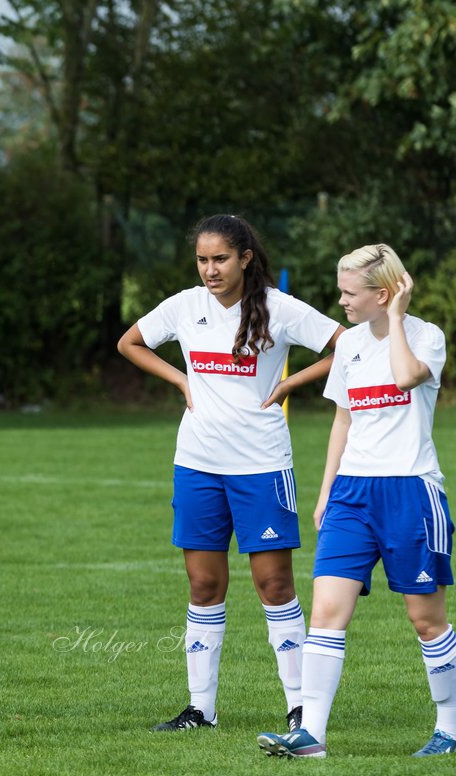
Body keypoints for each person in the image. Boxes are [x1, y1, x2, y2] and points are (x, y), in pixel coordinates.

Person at [117, 214, 343, 733]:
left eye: (220, 259)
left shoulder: (278, 309)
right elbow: (130, 342)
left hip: (262, 466)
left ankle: (300, 705)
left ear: (244, 258)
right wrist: (180, 380)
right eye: (202, 260)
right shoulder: (184, 305)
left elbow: (346, 344)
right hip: (196, 464)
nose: (210, 270)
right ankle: (201, 708)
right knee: (203, 583)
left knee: (274, 583)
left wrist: (289, 385)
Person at [258, 245, 455, 758]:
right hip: (352, 493)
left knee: (426, 618)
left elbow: (408, 376)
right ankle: (311, 736)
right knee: (326, 611)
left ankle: (450, 728)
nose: (340, 300)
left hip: (411, 490)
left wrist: (395, 319)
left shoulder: (425, 337)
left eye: (349, 292)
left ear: (383, 295)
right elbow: (344, 419)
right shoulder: (347, 350)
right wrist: (326, 492)